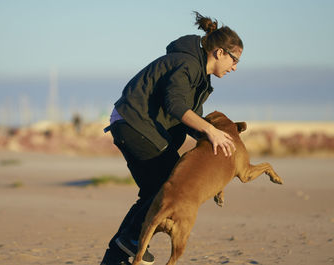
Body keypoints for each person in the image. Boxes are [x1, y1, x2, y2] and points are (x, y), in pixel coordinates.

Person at [100, 11, 243, 265]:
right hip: (133, 122)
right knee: (169, 183)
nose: (235, 67)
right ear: (219, 52)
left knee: (155, 192)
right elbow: (176, 106)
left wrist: (213, 140)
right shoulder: (186, 64)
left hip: (135, 124)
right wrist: (210, 131)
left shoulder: (200, 77)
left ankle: (117, 255)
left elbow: (188, 116)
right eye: (234, 59)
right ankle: (130, 241)